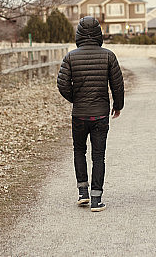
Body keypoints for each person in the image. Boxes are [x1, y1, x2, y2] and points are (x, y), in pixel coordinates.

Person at [57, 16, 124, 212]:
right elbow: (117, 85)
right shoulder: (108, 56)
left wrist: (75, 99)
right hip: (100, 115)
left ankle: (82, 193)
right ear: (99, 34)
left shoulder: (70, 57)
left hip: (79, 114)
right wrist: (118, 105)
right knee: (98, 156)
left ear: (78, 34)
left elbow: (62, 84)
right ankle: (96, 200)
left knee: (79, 150)